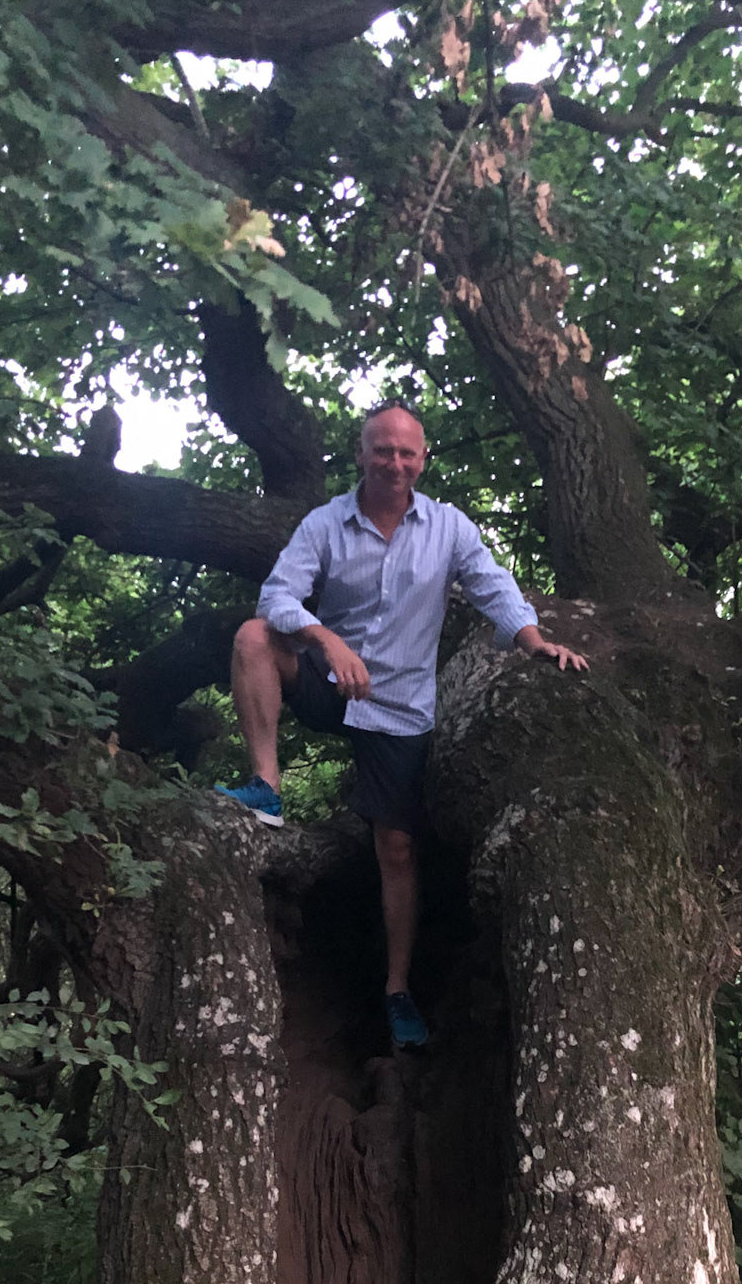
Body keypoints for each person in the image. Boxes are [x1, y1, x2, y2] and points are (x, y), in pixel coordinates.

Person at [219, 400, 588, 1047]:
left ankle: (397, 990)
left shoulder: (447, 528)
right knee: (254, 637)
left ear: (423, 460)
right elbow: (276, 596)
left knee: (398, 849)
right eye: (381, 450)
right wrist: (325, 640)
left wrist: (534, 642)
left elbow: (492, 586)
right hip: (330, 681)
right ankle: (266, 788)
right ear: (360, 454)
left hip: (397, 707)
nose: (394, 462)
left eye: (406, 452)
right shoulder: (326, 524)